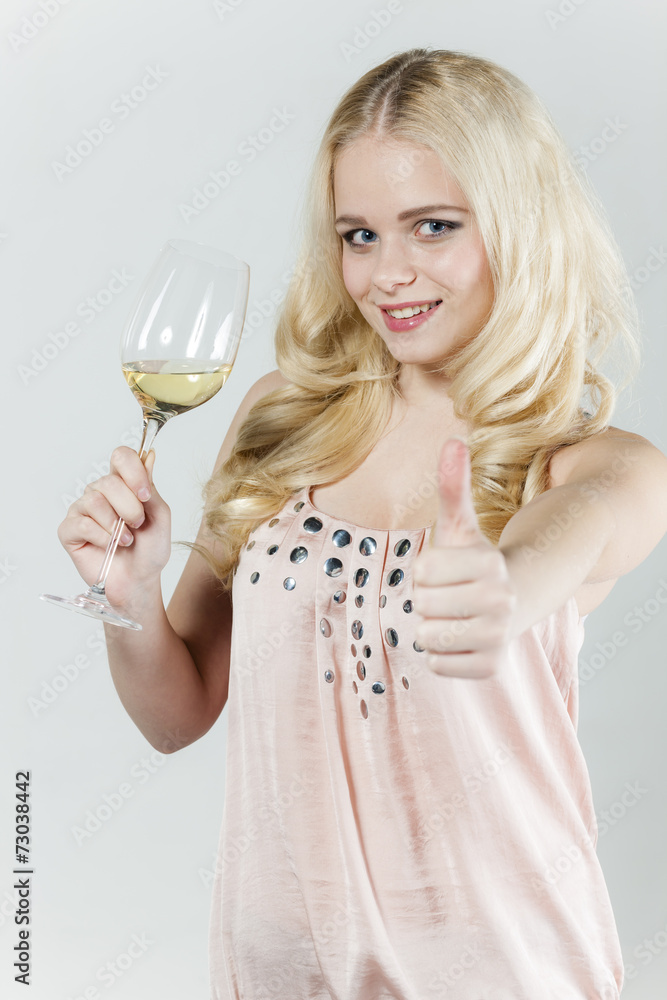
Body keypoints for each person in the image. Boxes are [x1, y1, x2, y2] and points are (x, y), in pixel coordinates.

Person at [58, 48, 667, 1000]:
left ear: (517, 223)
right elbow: (175, 719)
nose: (389, 275)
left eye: (433, 226)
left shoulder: (589, 462)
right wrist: (128, 597)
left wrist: (500, 588)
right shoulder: (280, 420)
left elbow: (578, 531)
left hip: (501, 972)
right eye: (358, 235)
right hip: (280, 971)